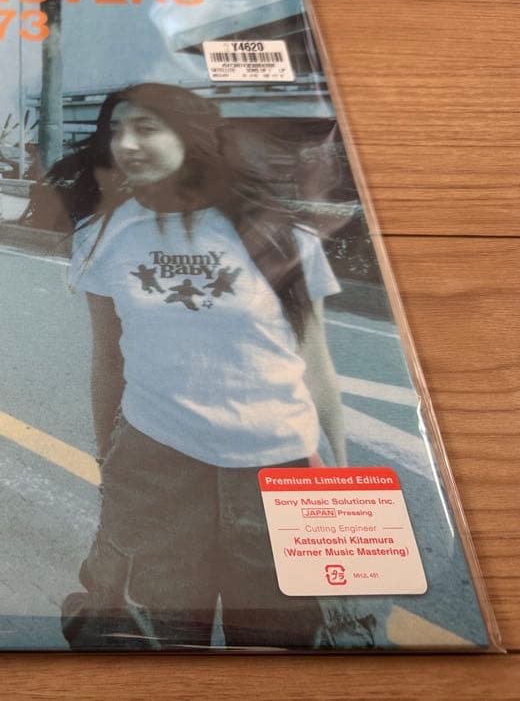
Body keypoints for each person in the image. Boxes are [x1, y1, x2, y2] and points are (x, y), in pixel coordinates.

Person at [51, 83, 364, 649]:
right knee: (150, 637)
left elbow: (315, 361)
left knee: (283, 642)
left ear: (191, 137)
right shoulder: (102, 236)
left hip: (281, 465)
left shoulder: (279, 234)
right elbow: (108, 358)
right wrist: (108, 460)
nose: (126, 144)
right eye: (116, 131)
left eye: (146, 128)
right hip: (154, 461)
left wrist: (339, 472)